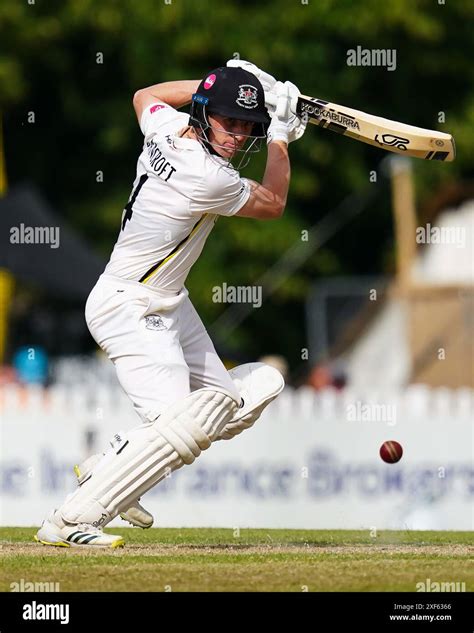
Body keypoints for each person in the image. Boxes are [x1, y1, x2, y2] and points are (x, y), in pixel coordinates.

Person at [35, 60, 306, 547]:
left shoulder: (165, 126)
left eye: (250, 127)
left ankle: (114, 464)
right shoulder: (207, 177)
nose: (240, 136)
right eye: (231, 122)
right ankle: (70, 521)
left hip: (167, 303)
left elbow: (144, 93)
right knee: (185, 424)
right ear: (204, 115)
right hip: (131, 307)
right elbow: (274, 204)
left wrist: (215, 83)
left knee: (234, 404)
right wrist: (281, 135)